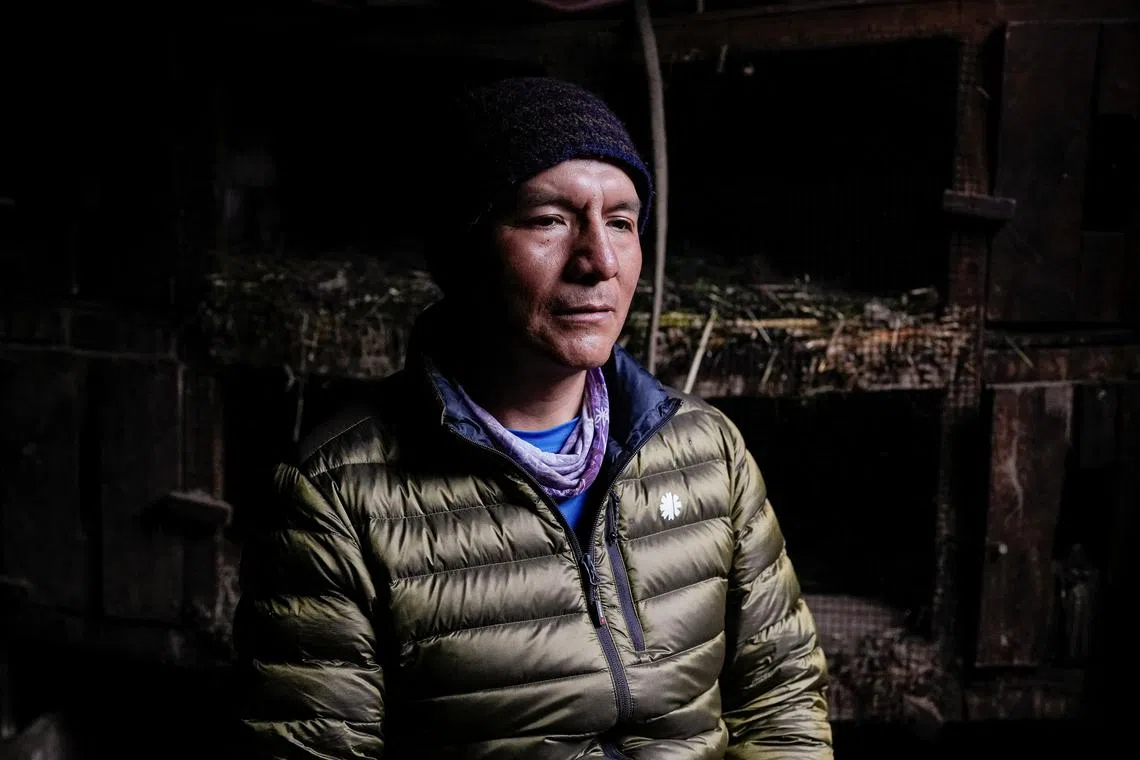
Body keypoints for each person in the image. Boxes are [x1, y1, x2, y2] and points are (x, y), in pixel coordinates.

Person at [232, 76, 832, 759]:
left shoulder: (705, 454)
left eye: (621, 221)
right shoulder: (339, 497)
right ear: (463, 249)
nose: (598, 261)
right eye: (549, 219)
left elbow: (781, 704)